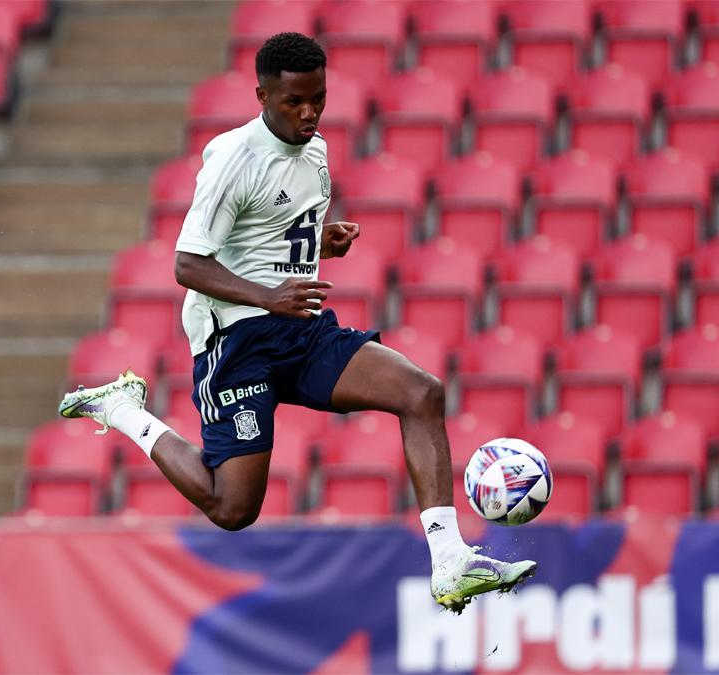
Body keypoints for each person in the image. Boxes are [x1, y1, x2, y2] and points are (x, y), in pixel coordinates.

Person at [59, 32, 535, 613]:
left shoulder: (316, 151)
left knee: (421, 392)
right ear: (262, 95)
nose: (309, 113)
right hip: (236, 341)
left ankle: (450, 563)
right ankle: (123, 410)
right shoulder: (234, 161)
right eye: (294, 102)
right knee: (232, 510)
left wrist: (319, 244)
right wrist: (267, 296)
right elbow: (187, 263)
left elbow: (274, 234)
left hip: (299, 328)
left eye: (319, 99)